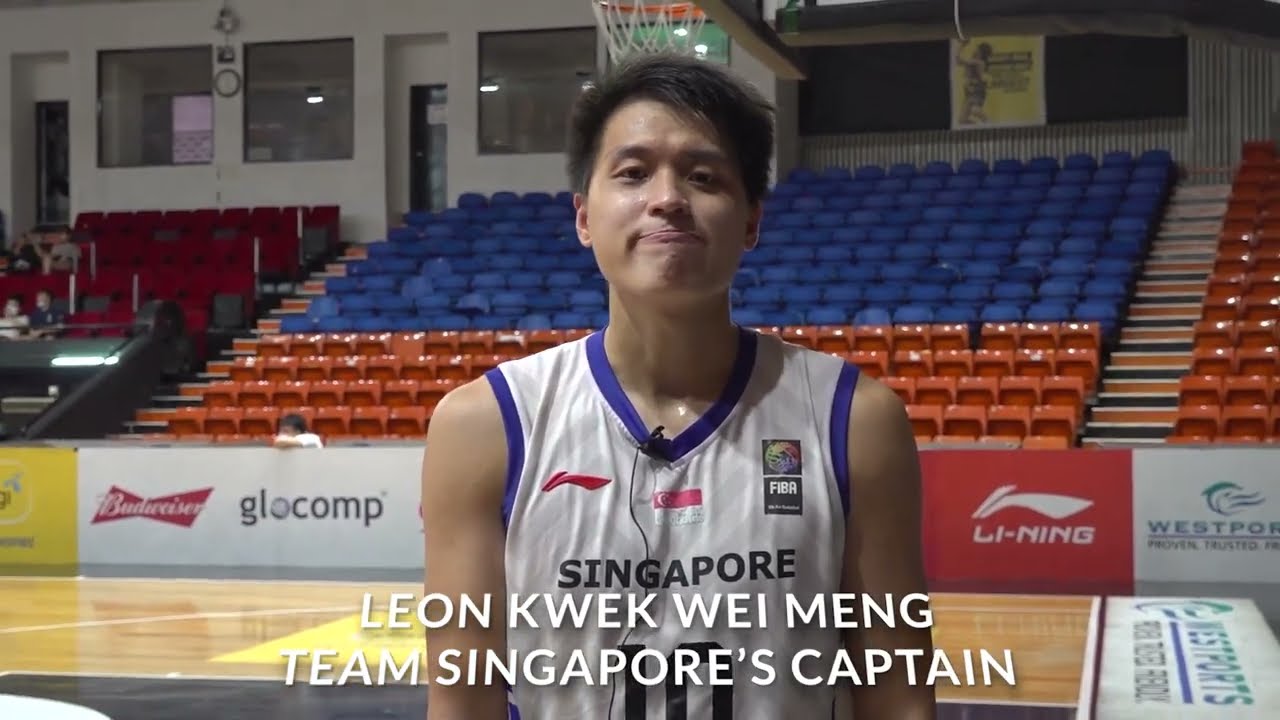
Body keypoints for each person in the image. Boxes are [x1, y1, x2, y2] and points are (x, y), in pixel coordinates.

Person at [420, 53, 934, 719]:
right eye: (633, 174)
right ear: (583, 216)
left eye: (702, 176)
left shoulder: (855, 420)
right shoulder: (482, 426)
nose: (667, 198)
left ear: (752, 221)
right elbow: (463, 700)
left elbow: (896, 697)